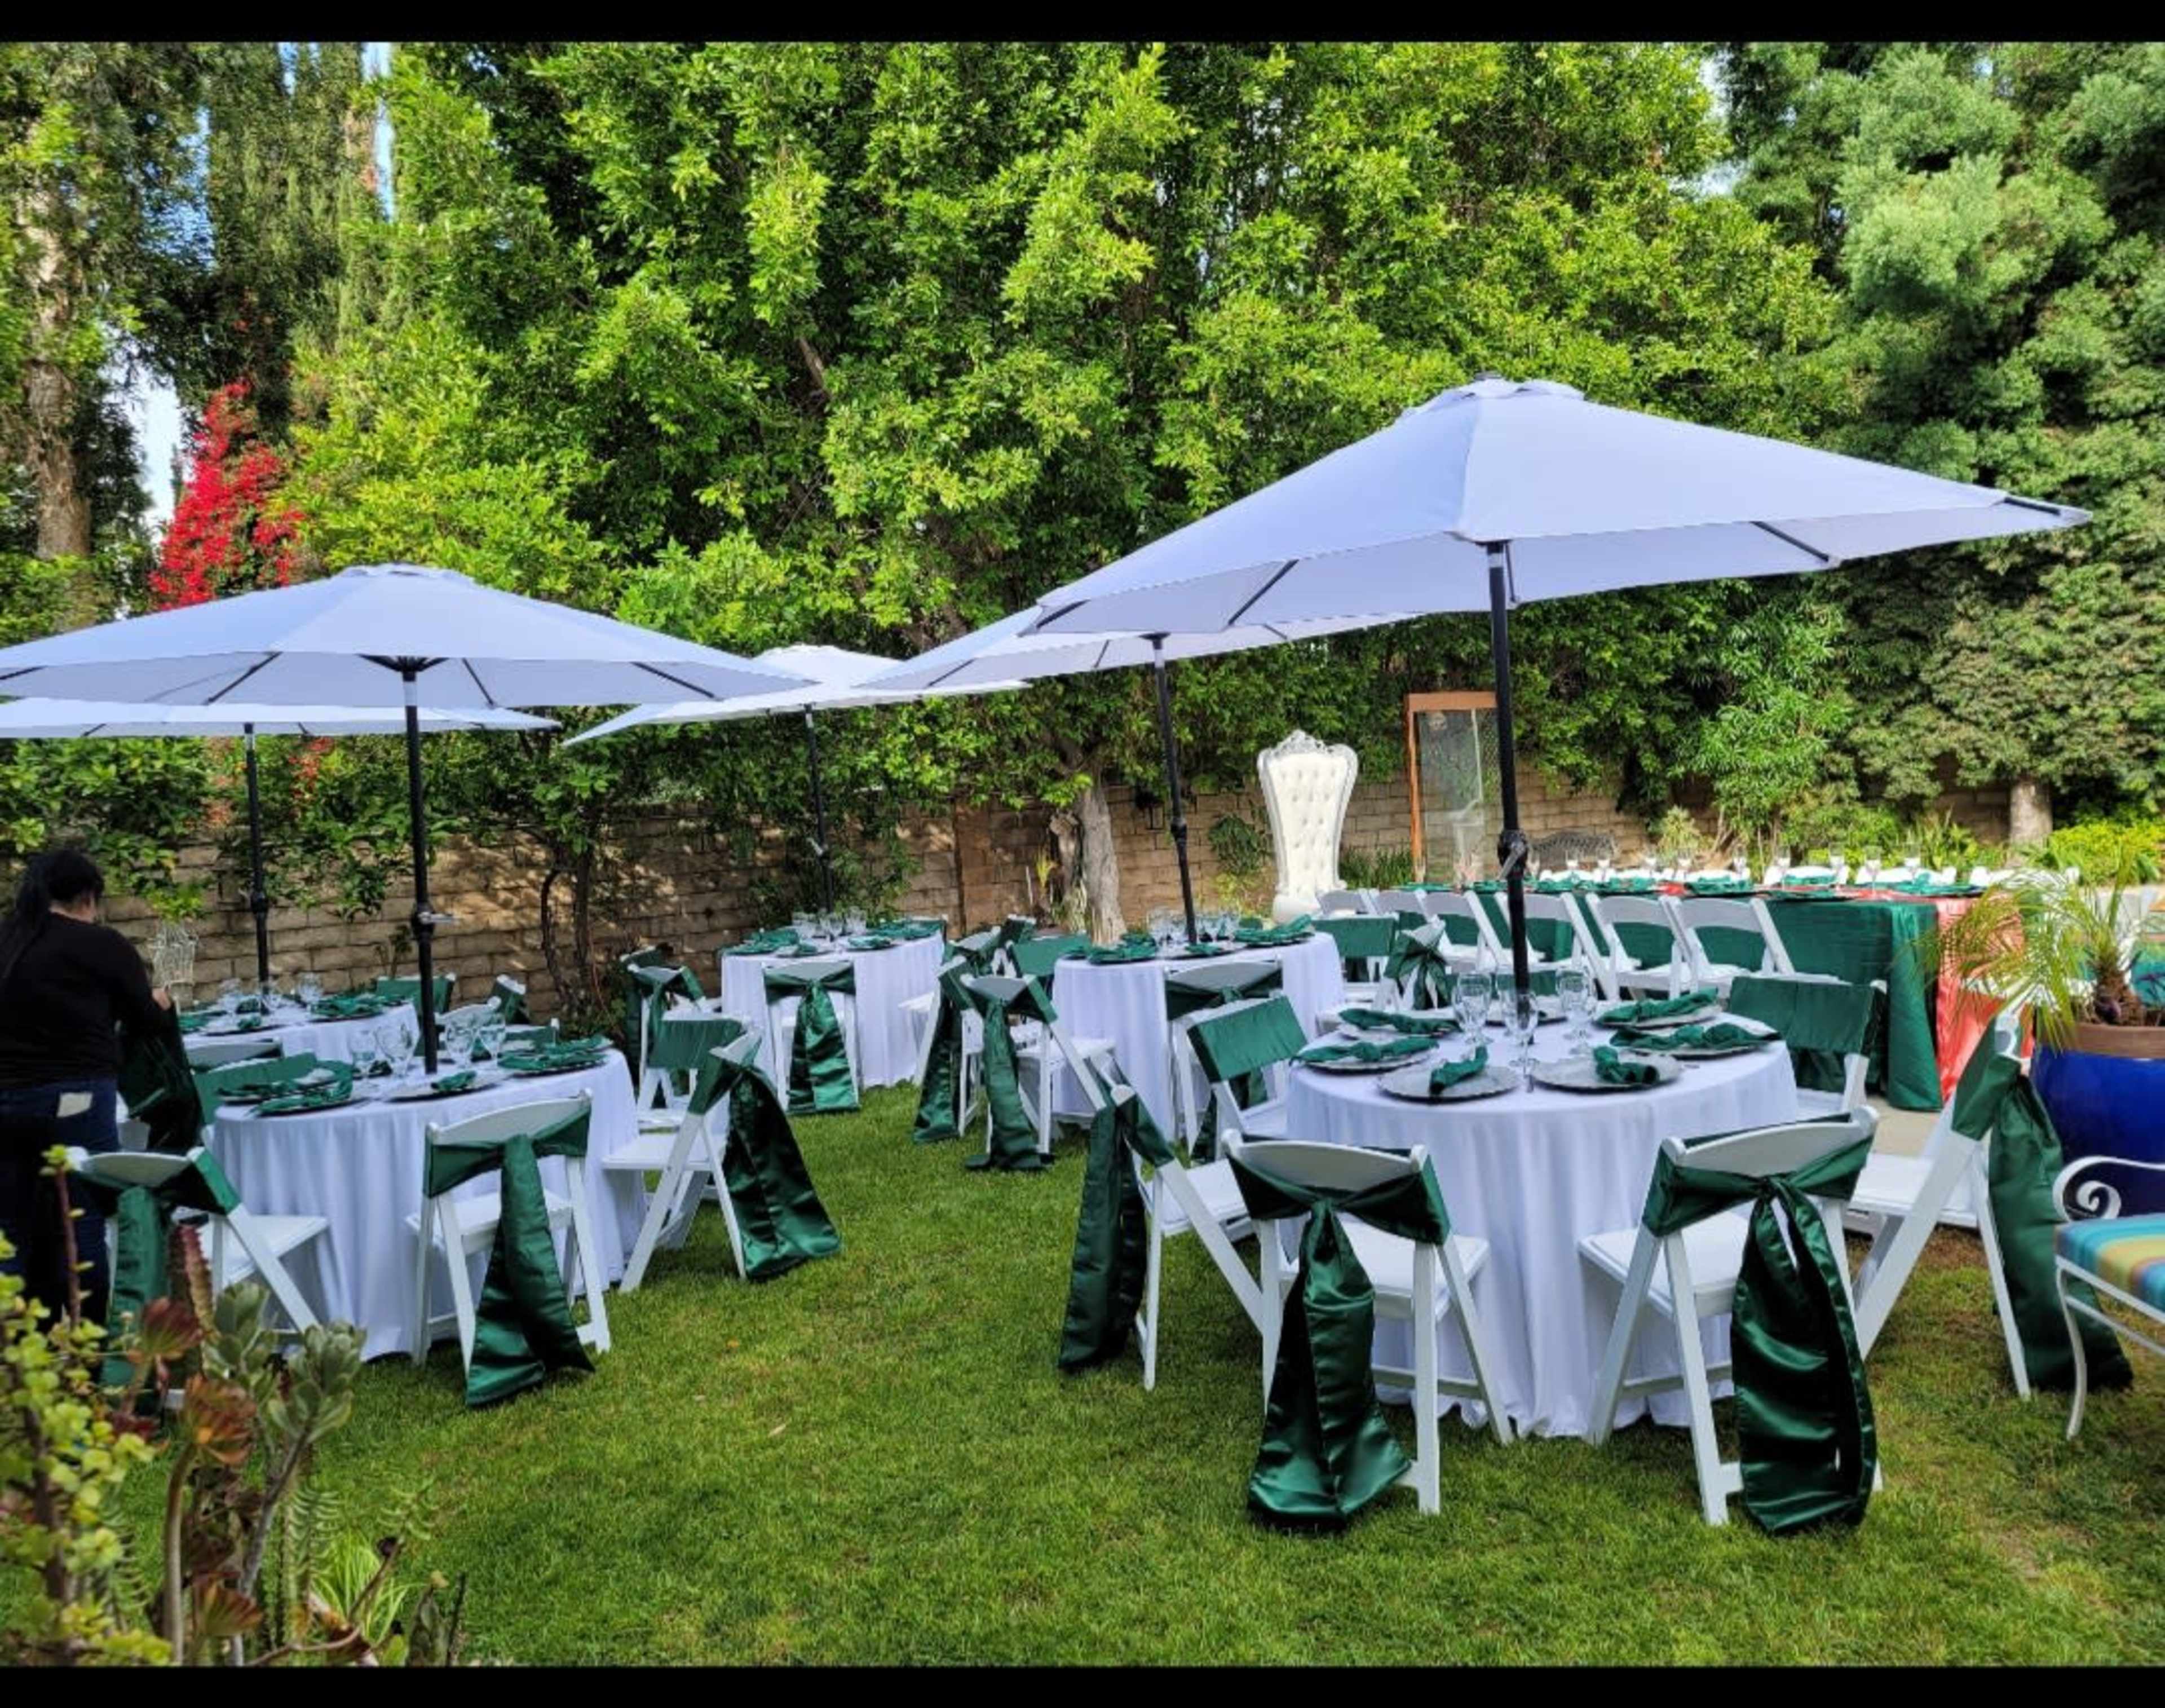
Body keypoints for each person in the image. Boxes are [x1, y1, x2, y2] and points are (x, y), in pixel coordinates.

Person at [0, 847, 170, 1323]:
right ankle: (87, 1341)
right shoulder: (101, 945)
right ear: (88, 897)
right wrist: (160, 1002)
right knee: (83, 1216)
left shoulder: (8, 941)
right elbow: (146, 1019)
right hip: (73, 1099)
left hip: (6, 1104)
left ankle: (15, 1349)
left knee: (9, 1227)